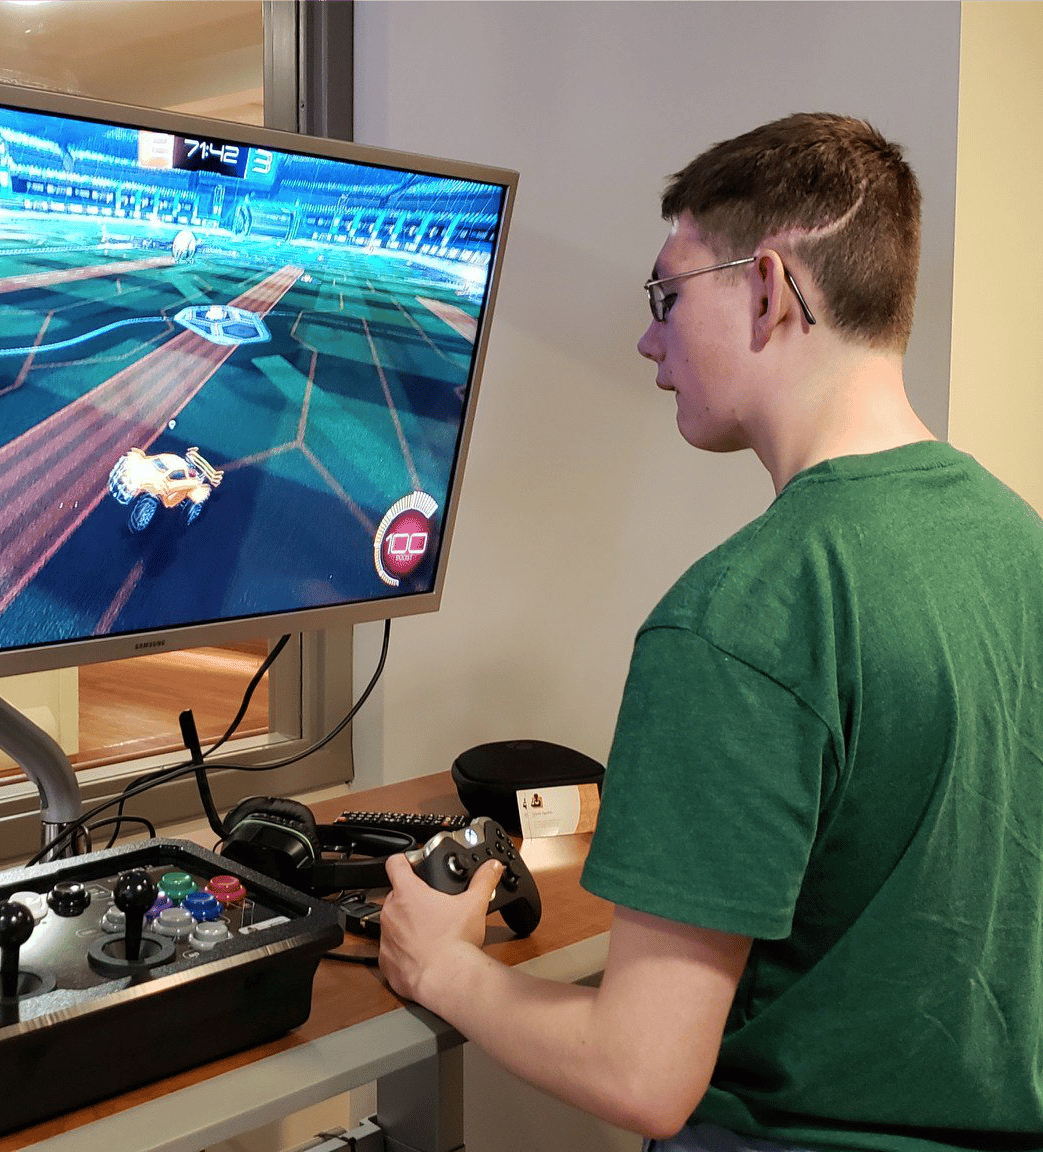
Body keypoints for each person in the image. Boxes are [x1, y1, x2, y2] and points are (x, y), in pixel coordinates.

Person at [378, 112, 1043, 1149]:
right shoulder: (1013, 535)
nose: (649, 339)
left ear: (769, 289)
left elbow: (640, 1074)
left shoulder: (743, 614)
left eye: (666, 296)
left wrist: (440, 965)